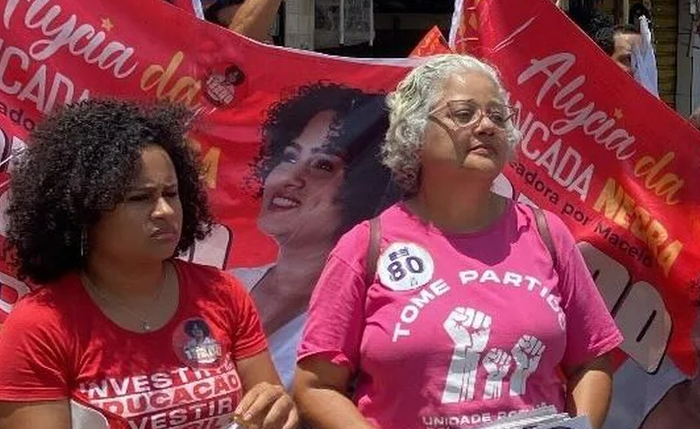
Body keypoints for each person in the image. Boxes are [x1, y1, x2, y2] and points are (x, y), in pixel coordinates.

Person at [293, 54, 623, 429]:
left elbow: (592, 360)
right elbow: (316, 386)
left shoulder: (549, 235)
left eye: (498, 117)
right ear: (414, 132)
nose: (486, 127)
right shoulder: (365, 247)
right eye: (464, 114)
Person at [0, 99, 297, 429]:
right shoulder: (40, 326)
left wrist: (278, 410)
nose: (166, 211)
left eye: (171, 194)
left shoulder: (222, 293)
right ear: (83, 212)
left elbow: (270, 409)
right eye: (140, 198)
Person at [234, 82, 400, 388]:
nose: (291, 177)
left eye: (323, 165)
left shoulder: (370, 314)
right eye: (290, 156)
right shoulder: (227, 284)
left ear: (362, 189)